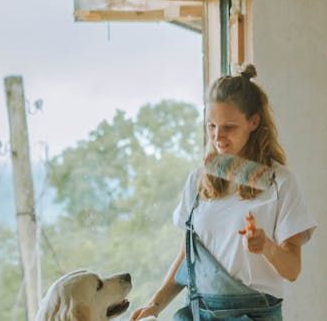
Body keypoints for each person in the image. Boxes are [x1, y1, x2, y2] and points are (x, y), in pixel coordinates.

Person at [131, 65, 317, 321]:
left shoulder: (279, 183)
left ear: (253, 122)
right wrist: (155, 304)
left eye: (229, 127)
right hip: (200, 313)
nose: (218, 137)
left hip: (255, 314)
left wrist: (266, 246)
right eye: (211, 126)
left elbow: (293, 269)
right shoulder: (198, 180)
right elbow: (189, 255)